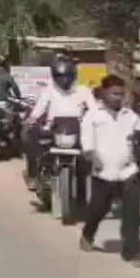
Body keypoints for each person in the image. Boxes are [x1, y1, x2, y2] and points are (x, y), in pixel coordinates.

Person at [79, 75, 140, 265]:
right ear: (104, 93)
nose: (118, 97)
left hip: (128, 172)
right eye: (114, 93)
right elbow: (87, 143)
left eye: (121, 94)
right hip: (103, 174)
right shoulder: (93, 116)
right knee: (98, 210)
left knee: (131, 216)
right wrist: (93, 156)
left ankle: (132, 254)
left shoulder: (131, 116)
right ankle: (88, 234)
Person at [24, 58, 98, 190]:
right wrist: (32, 119)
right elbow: (39, 108)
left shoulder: (84, 90)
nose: (64, 80)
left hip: (78, 129)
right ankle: (33, 175)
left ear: (74, 75)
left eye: (67, 76)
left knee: (91, 152)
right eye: (60, 76)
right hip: (52, 128)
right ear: (54, 76)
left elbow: (94, 110)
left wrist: (97, 121)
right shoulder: (49, 90)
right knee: (31, 139)